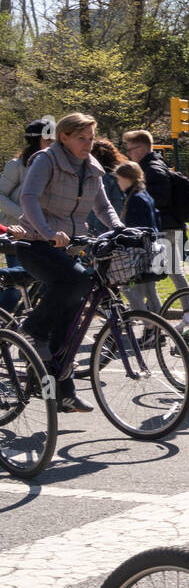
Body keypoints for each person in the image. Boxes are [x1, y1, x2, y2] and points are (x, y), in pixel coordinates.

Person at [16, 112, 122, 413]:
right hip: (35, 244)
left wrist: (120, 230)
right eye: (81, 138)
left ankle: (62, 392)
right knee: (78, 280)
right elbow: (28, 198)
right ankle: (33, 329)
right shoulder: (45, 160)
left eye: (90, 138)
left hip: (70, 247)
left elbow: (103, 207)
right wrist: (48, 233)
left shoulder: (92, 168)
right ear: (64, 136)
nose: (88, 144)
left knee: (72, 321)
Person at [121, 130, 189, 324]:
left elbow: (160, 198)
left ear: (143, 148)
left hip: (165, 229)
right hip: (170, 227)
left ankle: (167, 319)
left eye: (131, 149)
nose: (129, 153)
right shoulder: (154, 165)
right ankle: (183, 315)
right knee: (166, 274)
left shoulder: (152, 169)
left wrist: (141, 198)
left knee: (153, 277)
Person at [114, 160, 165, 316]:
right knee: (150, 291)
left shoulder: (135, 199)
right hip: (153, 246)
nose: (117, 182)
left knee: (129, 289)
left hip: (139, 252)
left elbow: (134, 230)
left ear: (127, 178)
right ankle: (158, 329)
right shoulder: (144, 194)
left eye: (118, 178)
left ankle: (149, 325)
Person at [0, 120, 54, 265]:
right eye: (48, 139)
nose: (53, 143)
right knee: (16, 282)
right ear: (36, 140)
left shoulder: (55, 166)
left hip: (43, 231)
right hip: (16, 231)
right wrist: (25, 215)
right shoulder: (16, 165)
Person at [88, 139, 126, 233]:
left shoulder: (102, 178)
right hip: (118, 226)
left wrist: (95, 233)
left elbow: (101, 208)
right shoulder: (120, 177)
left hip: (104, 230)